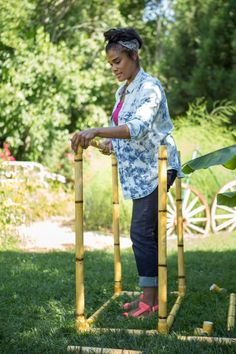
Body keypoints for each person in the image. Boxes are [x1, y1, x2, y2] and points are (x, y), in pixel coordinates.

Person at [71, 27, 183, 318]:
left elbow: (137, 128)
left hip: (158, 166)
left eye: (118, 61)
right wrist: (96, 141)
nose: (114, 69)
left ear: (134, 56)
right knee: (145, 232)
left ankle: (151, 302)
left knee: (142, 232)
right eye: (111, 64)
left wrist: (96, 128)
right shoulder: (124, 92)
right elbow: (119, 137)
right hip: (139, 172)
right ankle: (151, 297)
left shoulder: (150, 88)